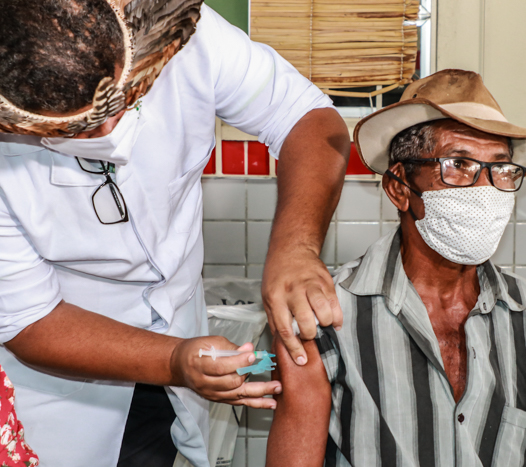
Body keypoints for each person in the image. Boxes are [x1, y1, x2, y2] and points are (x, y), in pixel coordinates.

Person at [0, 0, 348, 466]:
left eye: (125, 99)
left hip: (180, 331)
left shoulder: (187, 38)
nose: (110, 132)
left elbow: (307, 118)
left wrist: (296, 247)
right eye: (75, 129)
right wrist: (174, 360)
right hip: (62, 377)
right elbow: (30, 320)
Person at [267, 70, 526, 467]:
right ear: (399, 187)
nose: (485, 189)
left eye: (501, 168)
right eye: (459, 164)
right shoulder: (324, 315)